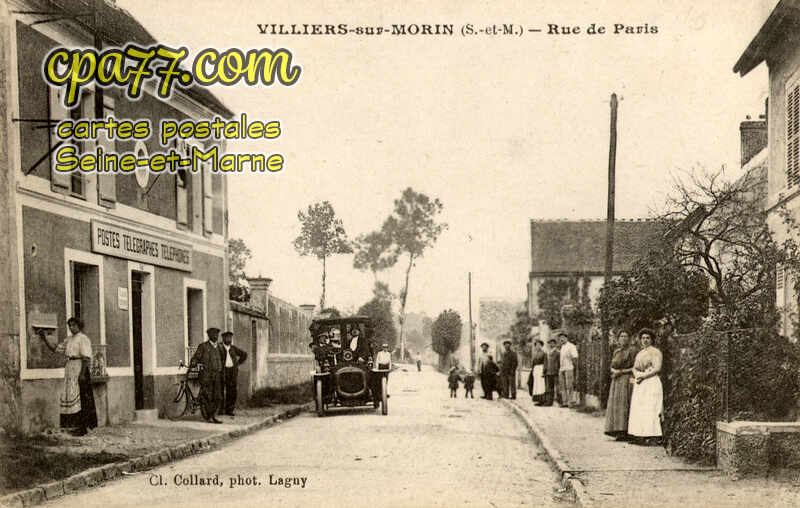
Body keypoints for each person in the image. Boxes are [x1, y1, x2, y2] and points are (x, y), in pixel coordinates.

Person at [58, 318, 98, 436]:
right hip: (70, 368)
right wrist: (44, 338)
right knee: (70, 395)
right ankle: (73, 425)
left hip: (80, 368)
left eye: (73, 325)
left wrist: (82, 374)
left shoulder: (83, 338)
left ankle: (83, 427)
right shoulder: (69, 339)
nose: (71, 327)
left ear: (79, 326)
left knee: (81, 398)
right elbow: (57, 348)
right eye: (69, 325)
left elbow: (86, 358)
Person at [628, 328, 664, 445]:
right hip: (640, 383)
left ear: (652, 339)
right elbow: (635, 367)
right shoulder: (640, 353)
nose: (645, 340)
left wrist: (644, 375)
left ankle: (653, 436)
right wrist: (637, 375)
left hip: (651, 382)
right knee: (639, 408)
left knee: (651, 407)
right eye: (643, 338)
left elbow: (657, 368)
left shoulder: (656, 352)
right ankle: (640, 435)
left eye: (648, 338)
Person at [604, 330, 637, 440]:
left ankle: (626, 431)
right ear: (618, 339)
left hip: (627, 379)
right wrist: (613, 370)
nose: (623, 338)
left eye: (626, 336)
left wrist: (621, 371)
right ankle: (617, 430)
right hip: (616, 380)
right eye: (621, 336)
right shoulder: (617, 351)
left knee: (625, 404)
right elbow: (612, 364)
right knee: (616, 405)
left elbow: (634, 368)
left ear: (629, 338)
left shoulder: (632, 351)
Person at [190, 327, 224, 424]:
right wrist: (193, 362)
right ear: (209, 335)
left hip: (216, 375)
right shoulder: (203, 346)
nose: (216, 336)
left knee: (217, 397)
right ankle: (209, 416)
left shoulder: (219, 347)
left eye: (217, 334)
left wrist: (221, 370)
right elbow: (196, 357)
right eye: (213, 334)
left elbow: (222, 360)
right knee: (207, 397)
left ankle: (212, 415)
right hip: (206, 375)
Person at [220, 331, 248, 417]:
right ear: (223, 338)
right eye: (227, 338)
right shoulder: (219, 348)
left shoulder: (233, 348)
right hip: (222, 371)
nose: (229, 339)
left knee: (232, 391)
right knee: (220, 390)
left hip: (232, 371)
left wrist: (237, 364)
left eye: (230, 338)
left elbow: (244, 354)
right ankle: (221, 410)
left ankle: (229, 410)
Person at [558, 332, 579, 407]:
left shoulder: (571, 346)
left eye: (563, 337)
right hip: (562, 368)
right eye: (560, 338)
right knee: (562, 386)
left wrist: (574, 366)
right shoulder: (562, 347)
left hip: (569, 368)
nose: (561, 339)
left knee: (569, 385)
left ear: (566, 338)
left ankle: (570, 401)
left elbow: (575, 357)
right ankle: (564, 402)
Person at [543, 337, 560, 406]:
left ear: (555, 344)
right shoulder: (547, 352)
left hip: (555, 372)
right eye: (550, 343)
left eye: (552, 343)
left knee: (557, 387)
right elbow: (545, 362)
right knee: (549, 388)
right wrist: (545, 370)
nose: (551, 344)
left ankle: (560, 401)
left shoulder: (558, 352)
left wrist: (558, 370)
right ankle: (549, 402)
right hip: (548, 372)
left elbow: (559, 363)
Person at [530, 339, 547, 405]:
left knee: (541, 385)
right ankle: (537, 400)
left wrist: (544, 371)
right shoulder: (535, 353)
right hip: (536, 369)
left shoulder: (543, 353)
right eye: (536, 345)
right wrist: (532, 369)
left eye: (539, 345)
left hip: (541, 368)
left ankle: (542, 400)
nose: (538, 346)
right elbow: (533, 362)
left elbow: (545, 362)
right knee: (536, 385)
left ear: (541, 346)